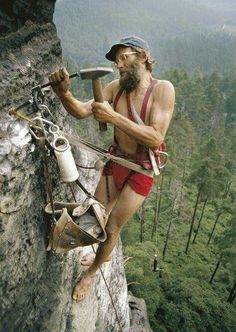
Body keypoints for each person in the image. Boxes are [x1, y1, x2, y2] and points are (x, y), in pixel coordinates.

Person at [49, 36, 175, 302]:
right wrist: (64, 94)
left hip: (141, 169)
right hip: (117, 159)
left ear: (142, 56)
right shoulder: (116, 88)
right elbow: (82, 111)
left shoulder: (162, 90)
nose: (119, 65)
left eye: (123, 57)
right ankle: (93, 251)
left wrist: (114, 117)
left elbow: (155, 137)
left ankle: (92, 272)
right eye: (116, 61)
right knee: (97, 213)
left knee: (114, 226)